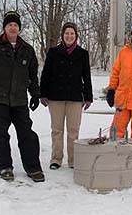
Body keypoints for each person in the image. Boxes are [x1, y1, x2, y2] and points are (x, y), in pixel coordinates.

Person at [0, 11, 45, 182]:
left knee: (27, 134)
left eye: (15, 25)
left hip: (20, 101)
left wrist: (35, 94)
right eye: (9, 25)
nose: (13, 28)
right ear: (5, 28)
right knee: (0, 134)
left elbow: (32, 75)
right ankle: (5, 166)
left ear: (19, 29)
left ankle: (33, 168)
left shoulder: (27, 50)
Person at [40, 22, 93, 169]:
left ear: (76, 36)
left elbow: (86, 76)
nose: (69, 36)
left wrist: (88, 96)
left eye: (72, 34)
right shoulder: (53, 52)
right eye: (66, 33)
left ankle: (73, 160)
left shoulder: (83, 54)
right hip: (55, 96)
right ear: (62, 36)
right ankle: (56, 159)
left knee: (73, 130)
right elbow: (45, 75)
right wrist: (43, 94)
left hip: (75, 97)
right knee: (57, 130)